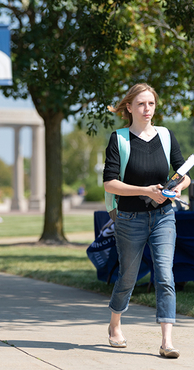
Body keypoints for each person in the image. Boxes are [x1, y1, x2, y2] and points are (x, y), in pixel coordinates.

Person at [103, 83, 191, 358]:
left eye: (151, 104)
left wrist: (178, 188)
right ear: (129, 107)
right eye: (141, 104)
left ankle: (167, 341)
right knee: (128, 277)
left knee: (165, 274)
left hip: (164, 216)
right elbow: (110, 184)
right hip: (130, 218)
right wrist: (145, 190)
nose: (147, 109)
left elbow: (183, 174)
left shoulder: (165, 136)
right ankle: (115, 324)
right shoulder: (119, 139)